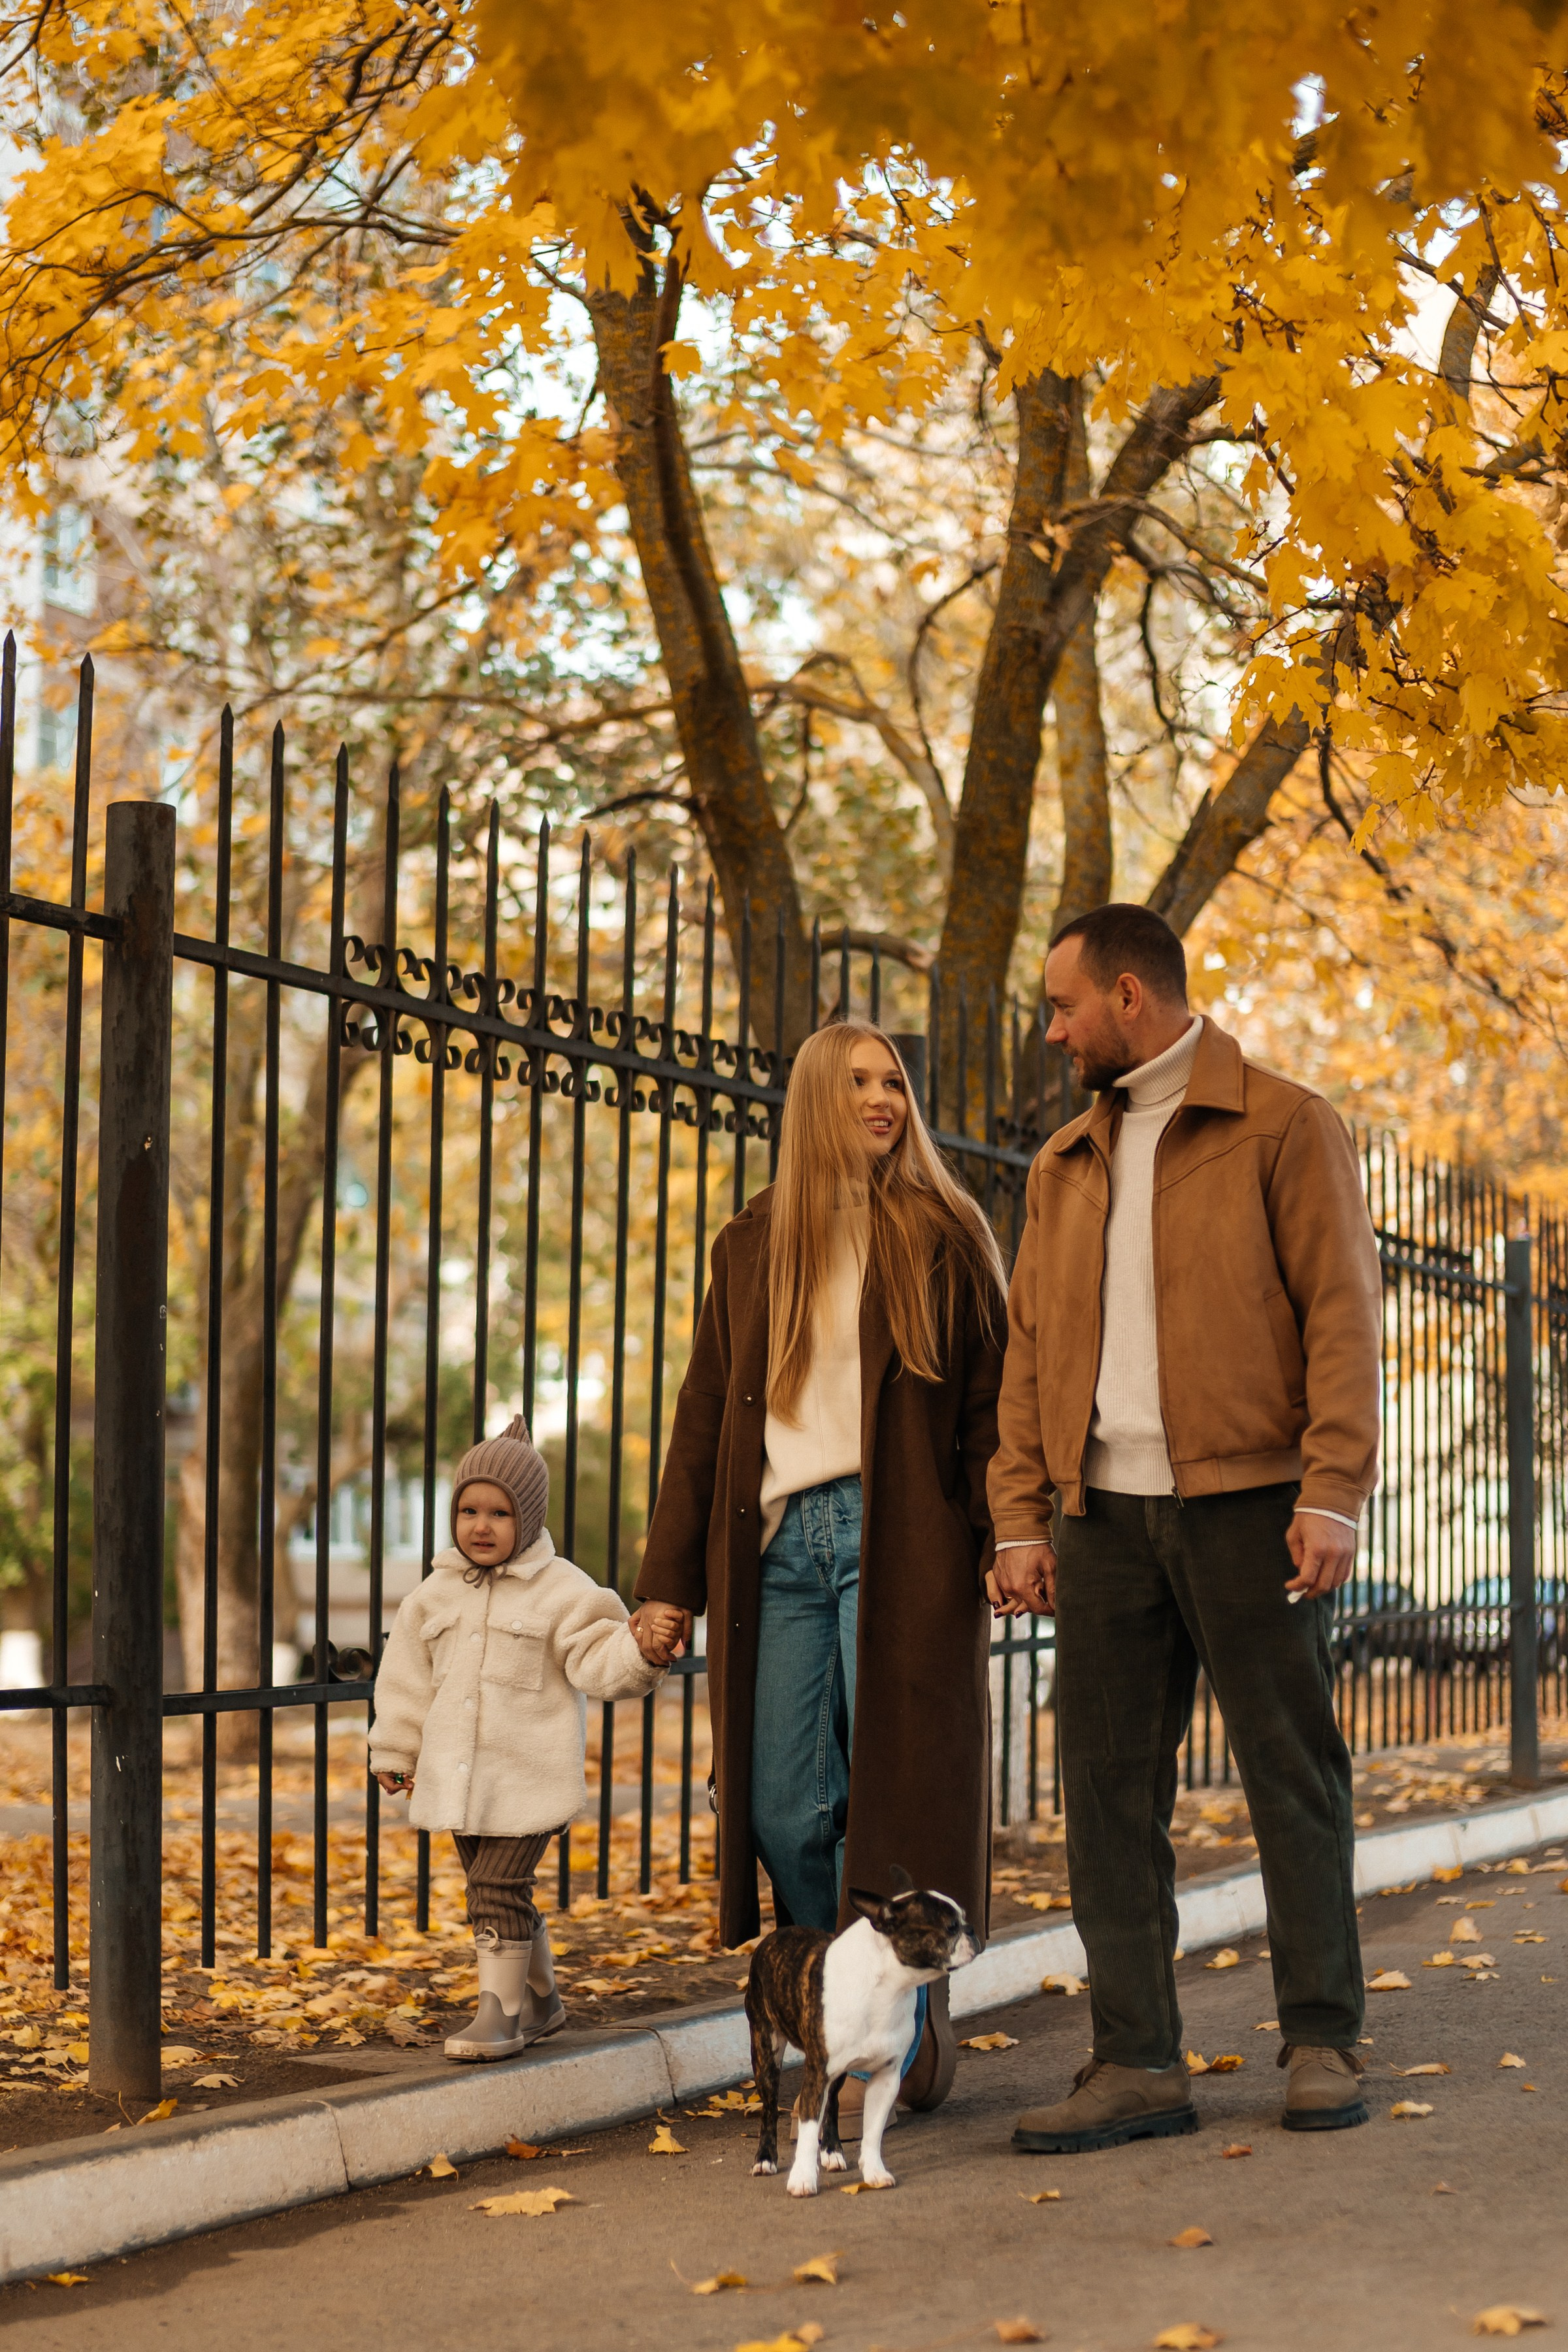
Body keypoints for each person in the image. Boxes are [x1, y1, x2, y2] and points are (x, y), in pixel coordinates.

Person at [988, 904, 1382, 2149]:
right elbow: (1030, 1355)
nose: (1054, 1034)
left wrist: (1332, 1488)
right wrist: (1020, 1518)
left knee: (1289, 1772)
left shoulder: (1283, 1123)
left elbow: (1342, 1314)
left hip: (1251, 1505)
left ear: (1127, 995)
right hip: (1102, 1518)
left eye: (1062, 1008)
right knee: (1106, 1792)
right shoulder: (1064, 1164)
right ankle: (1136, 2062)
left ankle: (1322, 2036)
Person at [632, 1019, 1006, 2120]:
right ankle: (840, 2002)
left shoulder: (944, 1230)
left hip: (906, 1539)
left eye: (894, 1082)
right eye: (857, 1083)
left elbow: (993, 1409)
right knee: (784, 1806)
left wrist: (1005, 1535)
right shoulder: (751, 1242)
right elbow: (705, 1414)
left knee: (897, 1795)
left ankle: (903, 2021)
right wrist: (669, 1581)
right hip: (780, 1549)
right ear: (812, 1101)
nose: (883, 1099)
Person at [370, 1414, 673, 2060]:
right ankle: (541, 2002)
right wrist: (394, 1749)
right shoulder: (432, 1595)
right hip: (459, 1781)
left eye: (500, 1513)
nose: (481, 1526)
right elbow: (406, 1681)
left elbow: (599, 1659)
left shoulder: (563, 1590)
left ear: (529, 1519)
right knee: (496, 1890)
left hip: (529, 1778)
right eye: (469, 1511)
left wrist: (641, 1651)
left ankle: (500, 2015)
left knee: (495, 1890)